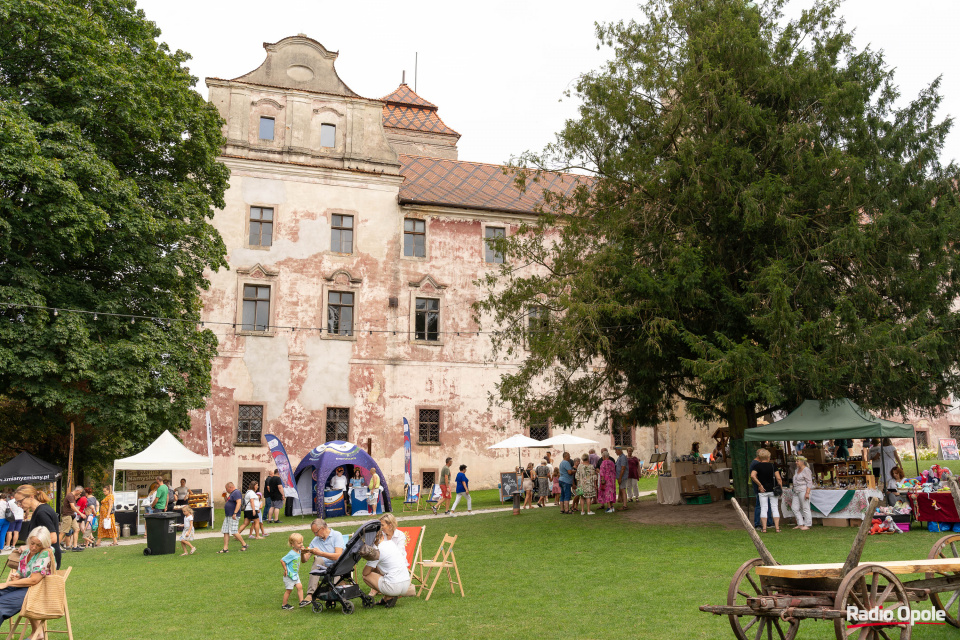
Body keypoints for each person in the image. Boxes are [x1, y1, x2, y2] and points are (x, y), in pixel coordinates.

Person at [0, 526, 54, 632]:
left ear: (45, 544)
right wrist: (17, 576)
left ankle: (38, 634)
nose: (33, 547)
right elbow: (22, 572)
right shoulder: (26, 552)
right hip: (23, 587)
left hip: (37, 591)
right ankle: (38, 634)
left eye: (38, 545)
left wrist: (7, 584)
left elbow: (34, 580)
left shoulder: (46, 553)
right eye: (32, 543)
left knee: (1, 605)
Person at [361, 524, 415, 607]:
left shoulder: (376, 551)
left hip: (394, 586)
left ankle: (389, 597)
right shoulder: (391, 543)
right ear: (383, 535)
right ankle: (386, 598)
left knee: (366, 576)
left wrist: (368, 559)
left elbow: (365, 572)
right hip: (406, 584)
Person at [12, 486, 60, 568]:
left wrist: (28, 547)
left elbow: (53, 538)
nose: (19, 505)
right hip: (42, 557)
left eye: (20, 501)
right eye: (17, 502)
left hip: (47, 559)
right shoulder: (38, 511)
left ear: (31, 497)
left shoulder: (42, 512)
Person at [302, 518, 344, 599]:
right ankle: (310, 594)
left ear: (322, 528)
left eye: (316, 532)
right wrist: (302, 553)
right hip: (324, 569)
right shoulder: (315, 540)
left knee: (322, 559)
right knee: (318, 560)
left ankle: (334, 591)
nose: (315, 535)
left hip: (337, 567)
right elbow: (305, 560)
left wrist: (321, 553)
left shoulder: (336, 535)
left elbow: (338, 556)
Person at [750, 448, 783, 533]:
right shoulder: (773, 466)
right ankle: (777, 528)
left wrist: (760, 485)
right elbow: (778, 478)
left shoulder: (757, 466)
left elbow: (753, 476)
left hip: (763, 490)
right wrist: (780, 487)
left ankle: (764, 528)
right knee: (775, 508)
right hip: (773, 490)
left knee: (764, 508)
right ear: (768, 457)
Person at [280, 533, 309, 610]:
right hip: (289, 575)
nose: (301, 544)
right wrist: (285, 569)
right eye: (299, 543)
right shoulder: (291, 554)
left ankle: (301, 601)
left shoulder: (299, 551)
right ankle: (284, 605)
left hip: (295, 574)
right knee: (289, 590)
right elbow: (282, 560)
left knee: (300, 587)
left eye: (301, 542)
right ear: (293, 544)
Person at [218, 482, 246, 553]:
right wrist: (225, 496)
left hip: (233, 515)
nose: (226, 490)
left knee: (233, 531)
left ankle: (244, 544)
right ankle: (225, 548)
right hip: (228, 515)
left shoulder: (236, 492)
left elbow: (239, 503)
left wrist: (235, 513)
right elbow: (227, 502)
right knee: (225, 531)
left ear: (230, 487)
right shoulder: (232, 494)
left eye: (226, 488)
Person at [750, 452, 774, 531]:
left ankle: (767, 523)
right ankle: (758, 524)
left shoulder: (757, 464)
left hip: (762, 488)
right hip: (761, 489)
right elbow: (753, 476)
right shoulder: (756, 464)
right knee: (761, 506)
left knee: (764, 506)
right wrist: (759, 485)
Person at [791, 456, 813, 530]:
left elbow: (809, 482)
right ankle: (800, 523)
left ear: (802, 462)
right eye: (796, 461)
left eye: (797, 461)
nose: (796, 462)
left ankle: (808, 524)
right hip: (796, 490)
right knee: (794, 507)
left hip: (803, 490)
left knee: (805, 507)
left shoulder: (806, 470)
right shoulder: (796, 470)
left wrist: (807, 493)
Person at [880, 438, 903, 505]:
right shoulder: (892, 448)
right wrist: (900, 465)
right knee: (892, 475)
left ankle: (886, 490)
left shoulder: (881, 448)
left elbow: (878, 456)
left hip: (884, 463)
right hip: (891, 463)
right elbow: (897, 457)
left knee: (886, 475)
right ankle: (893, 489)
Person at [60, 486, 82, 552]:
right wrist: (80, 514)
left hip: (72, 516)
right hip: (67, 516)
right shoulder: (70, 495)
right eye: (80, 492)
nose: (80, 494)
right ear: (77, 490)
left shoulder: (73, 497)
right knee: (63, 532)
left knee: (77, 529)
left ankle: (75, 547)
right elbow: (72, 507)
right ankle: (57, 547)